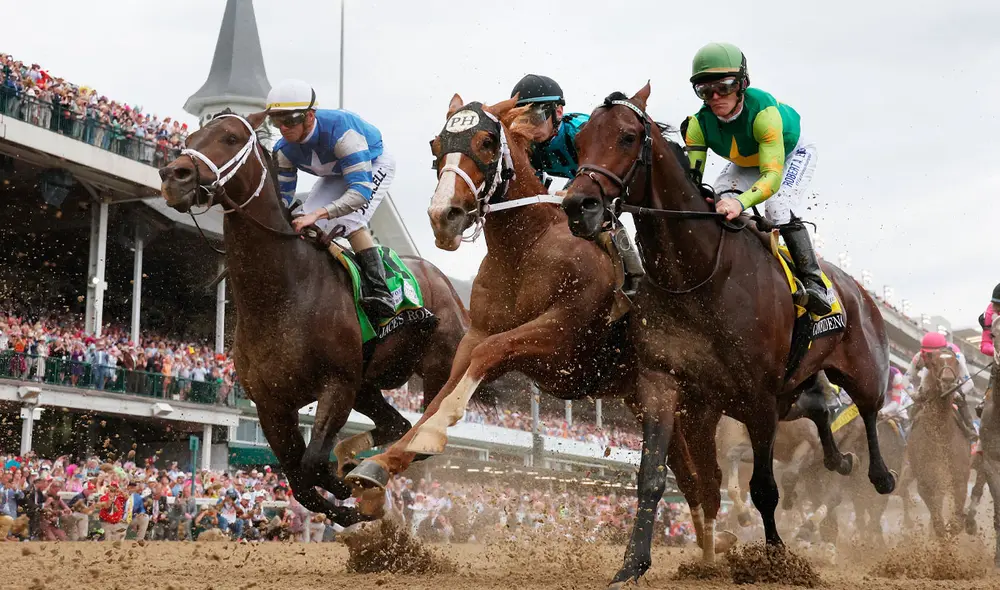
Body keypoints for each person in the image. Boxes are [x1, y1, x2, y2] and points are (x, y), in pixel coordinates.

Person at [682, 42, 833, 316]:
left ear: (742, 84)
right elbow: (691, 183)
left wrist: (740, 203)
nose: (715, 97)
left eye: (724, 87)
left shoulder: (764, 113)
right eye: (704, 90)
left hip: (791, 154)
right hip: (748, 161)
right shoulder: (697, 124)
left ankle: (815, 283)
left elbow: (772, 177)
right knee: (719, 197)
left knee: (777, 206)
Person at [266, 79, 397, 319]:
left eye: (289, 120)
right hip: (337, 172)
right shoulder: (283, 149)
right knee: (304, 224)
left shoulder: (343, 133)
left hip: (372, 164)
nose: (283, 128)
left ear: (309, 116)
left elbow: (360, 193)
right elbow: (282, 198)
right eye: (275, 121)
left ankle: (381, 292)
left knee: (350, 221)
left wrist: (317, 213)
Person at [509, 74, 645, 297]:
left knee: (604, 221)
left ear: (558, 112)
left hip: (598, 188)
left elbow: (600, 168)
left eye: (535, 117)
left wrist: (571, 188)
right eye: (521, 119)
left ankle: (634, 277)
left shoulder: (580, 129)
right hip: (562, 194)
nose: (529, 127)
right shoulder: (526, 144)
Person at [906, 331, 978, 441]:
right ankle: (908, 433)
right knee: (918, 403)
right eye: (929, 355)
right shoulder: (919, 357)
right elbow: (906, 379)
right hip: (930, 379)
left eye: (934, 354)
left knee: (961, 402)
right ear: (924, 353)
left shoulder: (957, 356)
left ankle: (971, 432)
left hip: (951, 384)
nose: (932, 358)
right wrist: (913, 394)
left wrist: (956, 394)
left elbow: (969, 383)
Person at [977, 283, 998, 358]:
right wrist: (996, 351)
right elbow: (985, 345)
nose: (995, 308)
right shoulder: (991, 313)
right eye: (995, 304)